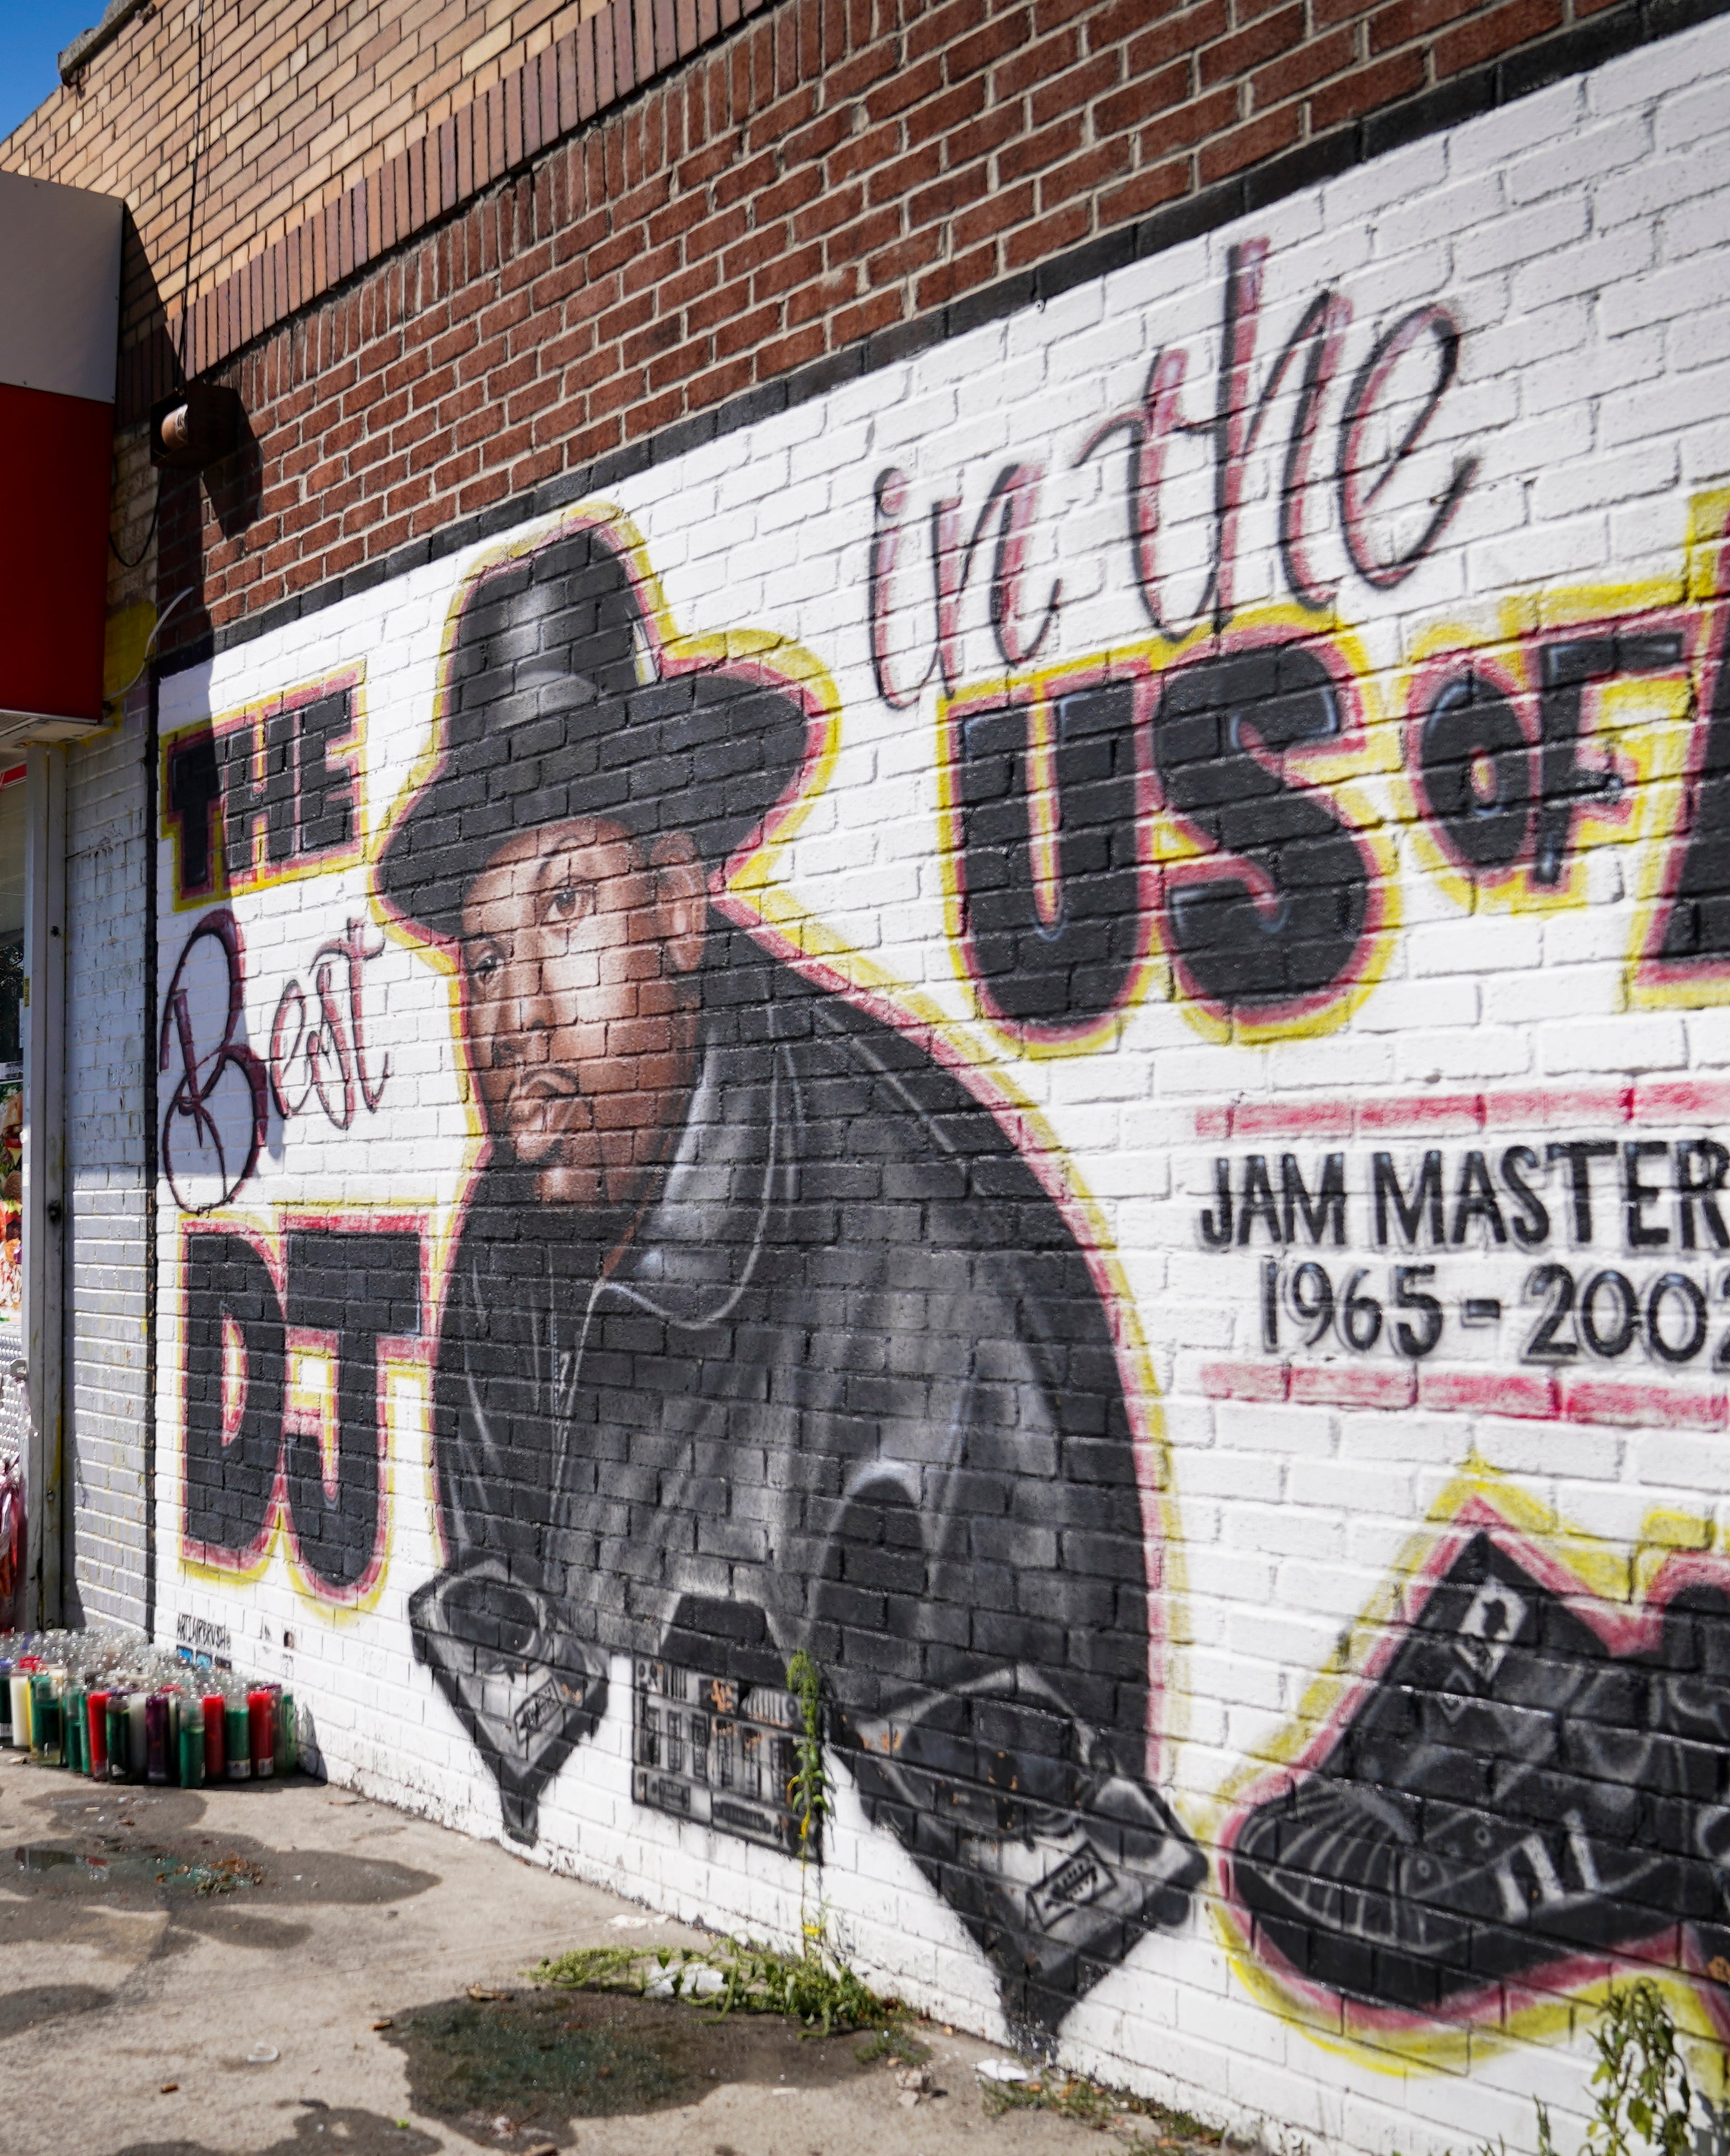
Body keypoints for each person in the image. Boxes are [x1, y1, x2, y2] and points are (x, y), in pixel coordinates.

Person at [373, 522, 1200, 2044]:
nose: (511, 1013)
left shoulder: (925, 1289)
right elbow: (523, 1654)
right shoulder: (512, 1234)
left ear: (682, 902)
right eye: (484, 957)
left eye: (564, 911)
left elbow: (1049, 1883)